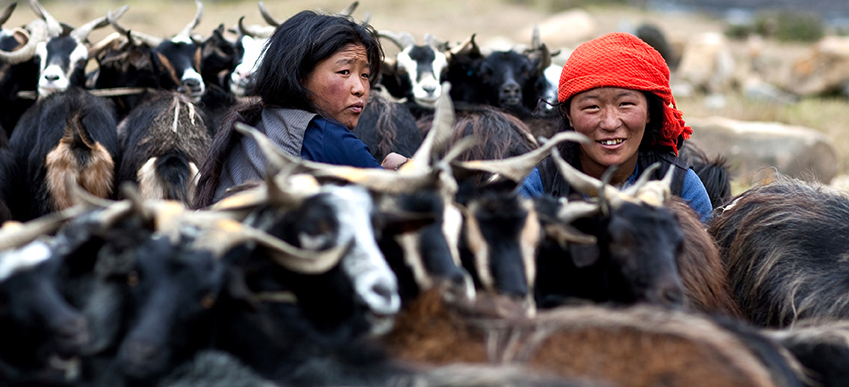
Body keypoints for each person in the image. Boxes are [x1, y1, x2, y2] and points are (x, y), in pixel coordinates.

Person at [193, 10, 408, 208]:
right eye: (344, 72)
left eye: (365, 75)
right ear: (300, 76)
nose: (360, 88)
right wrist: (404, 170)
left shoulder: (257, 121)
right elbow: (405, 206)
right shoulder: (325, 137)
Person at [524, 32, 713, 221]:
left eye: (625, 104)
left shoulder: (682, 187)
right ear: (569, 115)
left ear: (649, 112)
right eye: (592, 107)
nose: (610, 123)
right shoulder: (538, 186)